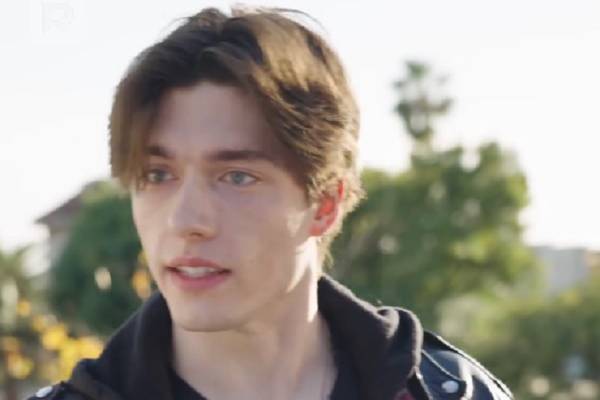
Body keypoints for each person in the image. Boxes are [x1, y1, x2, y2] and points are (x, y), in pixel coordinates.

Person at [29, 6, 512, 400]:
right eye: (158, 175)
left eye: (237, 177)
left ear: (325, 203)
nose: (185, 220)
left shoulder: (455, 394)